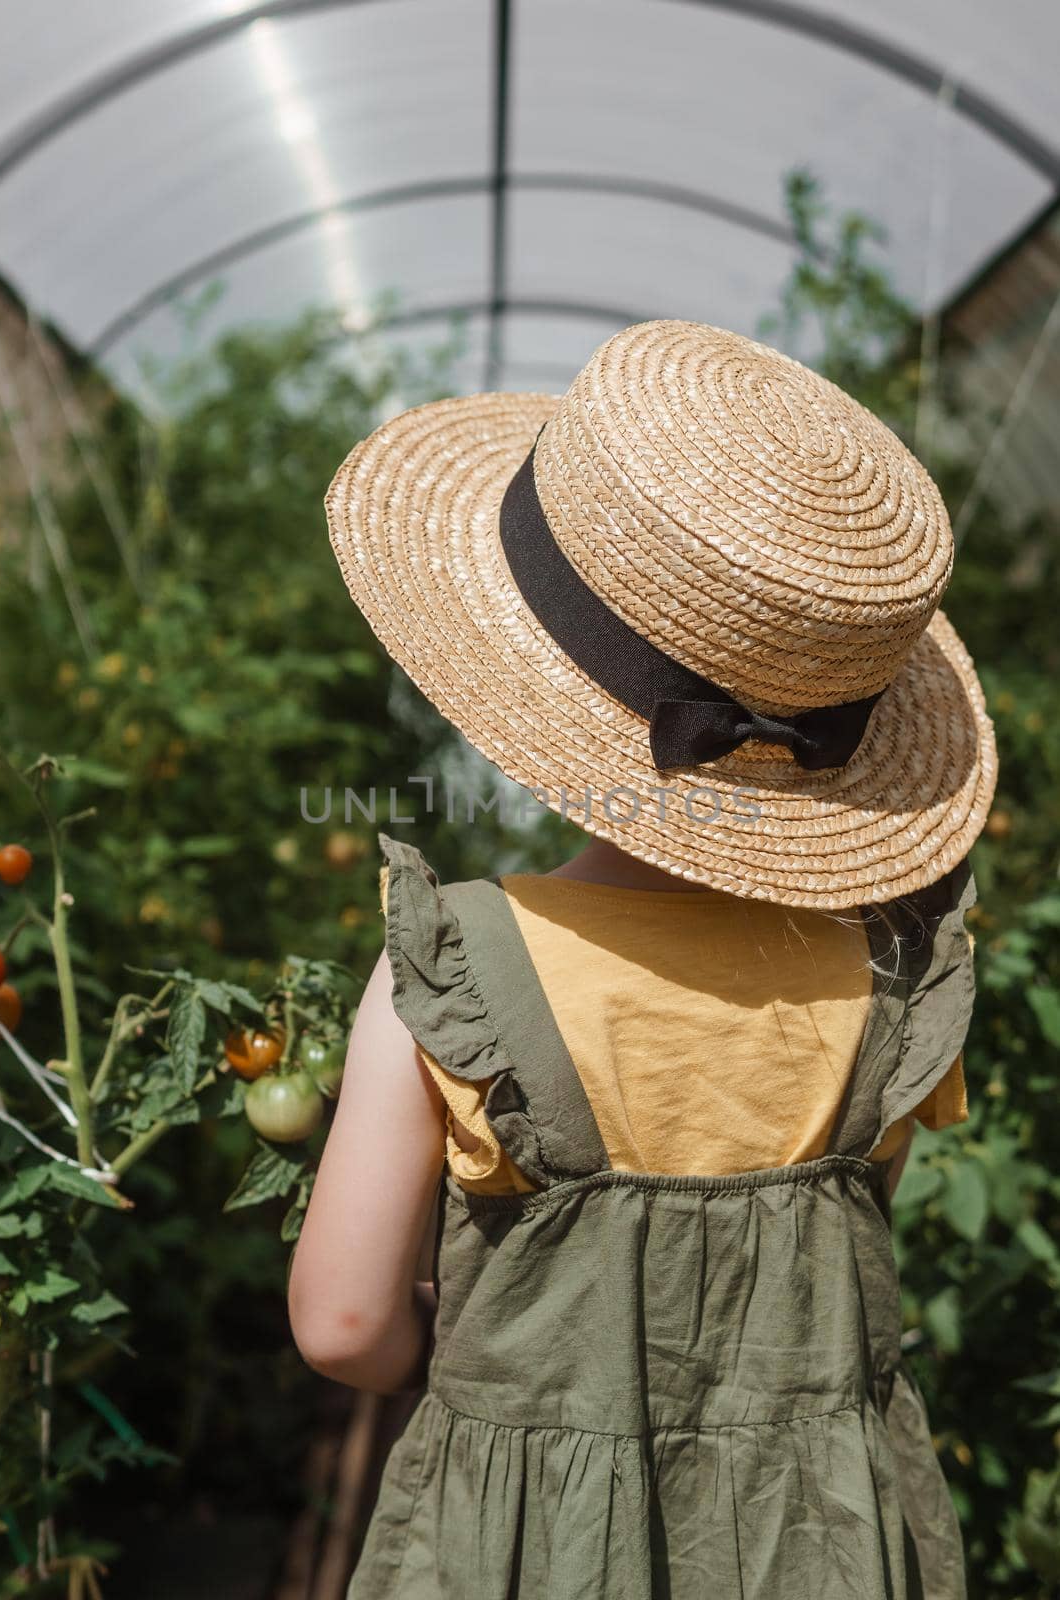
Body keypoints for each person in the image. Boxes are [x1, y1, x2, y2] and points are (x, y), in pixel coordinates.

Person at [288, 320, 997, 1599]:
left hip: (524, 1549)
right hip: (814, 1540)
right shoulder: (888, 983)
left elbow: (340, 1324)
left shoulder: (449, 971)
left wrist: (469, 1365)